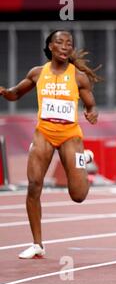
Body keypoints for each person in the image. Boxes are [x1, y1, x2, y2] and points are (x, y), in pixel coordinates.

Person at [0, 30, 100, 259]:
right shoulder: (37, 73)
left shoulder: (78, 77)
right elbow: (16, 94)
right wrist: (5, 92)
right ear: (50, 47)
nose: (65, 47)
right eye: (60, 42)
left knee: (78, 195)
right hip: (43, 133)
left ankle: (83, 158)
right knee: (34, 185)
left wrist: (91, 113)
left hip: (69, 136)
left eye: (69, 44)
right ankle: (37, 244)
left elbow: (90, 104)